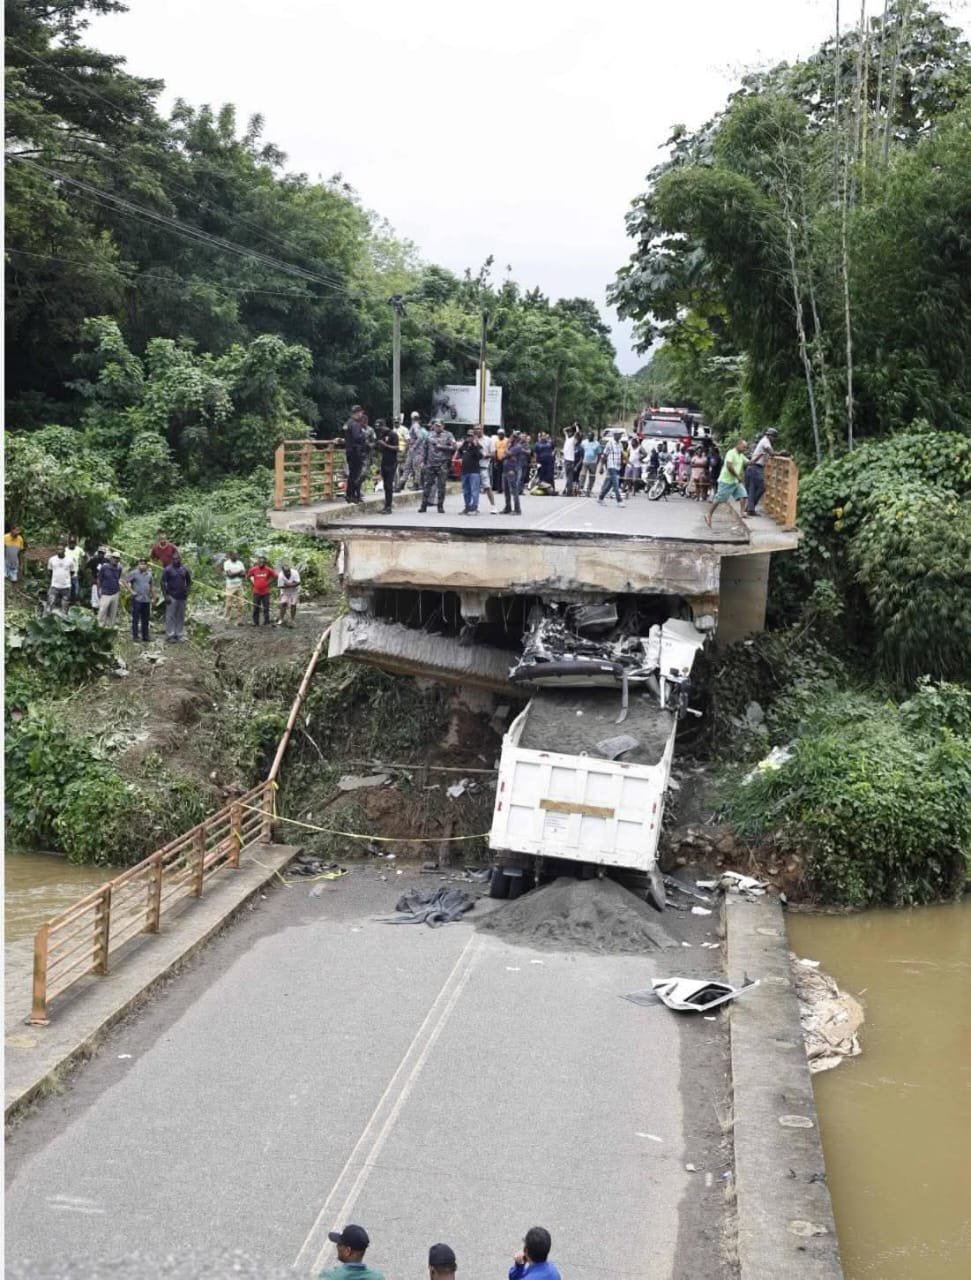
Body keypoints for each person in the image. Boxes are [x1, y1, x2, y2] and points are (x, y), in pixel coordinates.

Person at [705, 437, 749, 527]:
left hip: (735, 481)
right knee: (719, 499)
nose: (745, 449)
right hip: (726, 480)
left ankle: (742, 512)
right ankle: (709, 514)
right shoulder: (731, 453)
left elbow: (749, 462)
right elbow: (729, 466)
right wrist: (737, 475)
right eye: (744, 447)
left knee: (743, 495)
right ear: (738, 445)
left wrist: (760, 455)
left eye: (746, 448)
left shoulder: (741, 455)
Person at [319, 1224, 384, 1280]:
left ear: (348, 1251)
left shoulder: (329, 1277)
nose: (337, 1246)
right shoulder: (378, 1278)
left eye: (339, 1244)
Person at [418, 420, 457, 513]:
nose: (437, 428)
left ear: (443, 426)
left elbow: (454, 448)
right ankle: (423, 505)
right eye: (436, 426)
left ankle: (440, 506)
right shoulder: (429, 435)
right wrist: (422, 461)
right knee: (427, 485)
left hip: (442, 464)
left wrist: (442, 447)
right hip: (430, 464)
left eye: (439, 426)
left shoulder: (448, 435)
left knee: (441, 486)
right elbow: (424, 448)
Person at [745, 426, 779, 517]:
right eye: (773, 437)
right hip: (756, 467)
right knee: (762, 487)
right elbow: (771, 453)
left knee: (753, 489)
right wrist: (781, 453)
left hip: (753, 467)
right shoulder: (765, 441)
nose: (774, 439)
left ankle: (750, 508)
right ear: (770, 436)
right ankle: (750, 508)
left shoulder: (764, 441)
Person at [161, 552, 192, 642]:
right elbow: (163, 582)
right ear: (172, 560)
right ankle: (170, 635)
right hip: (172, 595)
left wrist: (188, 591)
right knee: (170, 616)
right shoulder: (168, 570)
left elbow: (189, 581)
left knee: (180, 616)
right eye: (174, 559)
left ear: (180, 559)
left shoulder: (184, 569)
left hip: (182, 596)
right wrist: (165, 595)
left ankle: (178, 634)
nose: (176, 560)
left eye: (178, 559)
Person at [125, 557, 155, 642]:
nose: (142, 565)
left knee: (145, 619)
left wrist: (154, 597)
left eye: (143, 564)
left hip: (146, 600)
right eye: (140, 563)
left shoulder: (149, 574)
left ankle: (145, 636)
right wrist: (131, 591)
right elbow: (125, 581)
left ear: (146, 565)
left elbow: (151, 586)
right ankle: (135, 636)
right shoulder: (134, 573)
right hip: (137, 599)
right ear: (138, 565)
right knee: (136, 619)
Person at [344, 404, 368, 504]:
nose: (361, 415)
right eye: (361, 413)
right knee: (355, 474)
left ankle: (351, 494)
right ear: (358, 413)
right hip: (355, 452)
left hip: (349, 451)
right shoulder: (355, 424)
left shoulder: (348, 423)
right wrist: (363, 435)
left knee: (353, 474)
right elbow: (357, 437)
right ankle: (351, 494)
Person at [375, 419, 400, 513]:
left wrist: (385, 445)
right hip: (384, 462)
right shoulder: (381, 435)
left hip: (392, 462)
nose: (380, 430)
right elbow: (380, 449)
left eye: (381, 427)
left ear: (385, 426)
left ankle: (388, 507)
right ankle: (386, 505)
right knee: (385, 485)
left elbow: (397, 448)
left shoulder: (393, 434)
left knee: (389, 485)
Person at [457, 429, 483, 514]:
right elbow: (459, 453)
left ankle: (474, 507)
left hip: (474, 471)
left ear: (474, 437)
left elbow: (480, 456)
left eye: (471, 436)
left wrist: (475, 446)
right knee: (466, 491)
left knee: (474, 490)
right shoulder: (464, 445)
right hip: (465, 471)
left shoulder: (477, 446)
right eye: (468, 436)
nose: (469, 438)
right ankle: (467, 507)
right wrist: (460, 458)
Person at [247, 554, 277, 626]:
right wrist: (252, 584)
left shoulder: (268, 569)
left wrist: (268, 582)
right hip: (256, 592)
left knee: (266, 607)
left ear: (265, 562)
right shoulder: (253, 569)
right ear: (258, 562)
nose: (261, 563)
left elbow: (275, 576)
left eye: (263, 562)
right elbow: (248, 577)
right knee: (256, 608)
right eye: (260, 562)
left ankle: (266, 622)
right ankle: (255, 622)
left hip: (266, 592)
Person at [398, 413, 426, 492]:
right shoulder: (415, 425)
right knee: (407, 467)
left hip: (417, 451)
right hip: (412, 451)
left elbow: (420, 437)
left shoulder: (415, 425)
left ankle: (416, 485)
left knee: (416, 468)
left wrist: (414, 447)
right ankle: (401, 484)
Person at [597, 429, 625, 506]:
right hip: (611, 466)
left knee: (609, 484)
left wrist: (622, 463)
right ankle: (619, 501)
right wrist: (601, 467)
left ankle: (600, 498)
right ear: (615, 435)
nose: (620, 436)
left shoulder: (620, 444)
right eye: (619, 434)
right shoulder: (610, 444)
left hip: (617, 466)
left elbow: (621, 454)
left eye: (621, 434)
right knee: (616, 483)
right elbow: (604, 455)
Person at [500, 431, 526, 514]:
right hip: (506, 469)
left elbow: (508, 453)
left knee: (513, 490)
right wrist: (507, 451)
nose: (511, 438)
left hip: (513, 469)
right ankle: (508, 507)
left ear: (516, 438)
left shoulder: (518, 446)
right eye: (512, 436)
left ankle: (517, 509)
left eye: (513, 437)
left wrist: (507, 451)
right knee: (506, 490)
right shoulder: (511, 445)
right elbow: (504, 455)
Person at [97, 551, 124, 627]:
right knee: (102, 611)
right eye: (114, 558)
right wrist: (99, 590)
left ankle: (110, 628)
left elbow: (118, 578)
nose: (115, 559)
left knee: (113, 613)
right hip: (105, 592)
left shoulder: (119, 568)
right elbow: (99, 579)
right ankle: (99, 627)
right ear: (111, 558)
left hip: (115, 592)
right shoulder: (105, 567)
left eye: (117, 558)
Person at [45, 544, 74, 615]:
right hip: (54, 586)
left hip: (66, 586)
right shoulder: (52, 559)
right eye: (58, 549)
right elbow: (50, 571)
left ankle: (63, 620)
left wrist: (65, 579)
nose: (59, 551)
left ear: (64, 550)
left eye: (61, 549)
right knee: (50, 602)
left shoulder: (70, 560)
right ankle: (47, 618)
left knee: (65, 606)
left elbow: (72, 572)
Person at [474, 424, 497, 510]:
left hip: (483, 466)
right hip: (473, 466)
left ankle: (493, 506)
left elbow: (494, 454)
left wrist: (485, 455)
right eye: (476, 429)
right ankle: (476, 505)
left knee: (487, 487)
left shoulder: (488, 440)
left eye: (479, 429)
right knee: (475, 487)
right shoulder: (473, 440)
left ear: (482, 429)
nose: (478, 430)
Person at [222, 549, 246, 623]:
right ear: (230, 555)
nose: (236, 556)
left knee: (241, 604)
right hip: (230, 586)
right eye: (234, 555)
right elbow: (230, 575)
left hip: (239, 586)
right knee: (229, 604)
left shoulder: (240, 563)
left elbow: (244, 574)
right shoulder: (227, 563)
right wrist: (239, 572)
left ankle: (239, 620)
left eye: (237, 554)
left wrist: (235, 573)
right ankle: (226, 619)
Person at [277, 560, 301, 626]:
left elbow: (298, 583)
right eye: (286, 572)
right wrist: (292, 584)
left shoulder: (295, 572)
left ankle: (292, 619)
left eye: (288, 571)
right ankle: (281, 619)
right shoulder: (281, 575)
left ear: (290, 569)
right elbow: (280, 586)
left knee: (293, 605)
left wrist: (288, 584)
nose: (287, 573)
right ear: (283, 571)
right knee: (283, 604)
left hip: (295, 591)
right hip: (285, 591)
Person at [64, 534, 84, 603]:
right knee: (67, 591)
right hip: (66, 574)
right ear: (69, 543)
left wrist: (81, 566)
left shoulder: (79, 550)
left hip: (75, 574)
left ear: (75, 543)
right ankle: (67, 604)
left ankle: (75, 603)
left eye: (73, 543)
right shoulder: (65, 549)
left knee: (76, 591)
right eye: (71, 543)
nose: (72, 544)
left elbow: (84, 556)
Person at [561, 425, 578, 494]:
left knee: (569, 477)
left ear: (572, 433)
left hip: (569, 460)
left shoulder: (573, 439)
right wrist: (569, 427)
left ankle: (568, 491)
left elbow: (577, 432)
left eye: (570, 432)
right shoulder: (567, 439)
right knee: (568, 476)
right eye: (568, 432)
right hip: (566, 459)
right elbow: (564, 430)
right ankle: (568, 490)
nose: (568, 433)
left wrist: (576, 426)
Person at [491, 427, 508, 493]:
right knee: (499, 475)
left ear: (504, 434)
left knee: (506, 474)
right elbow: (495, 451)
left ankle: (506, 489)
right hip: (498, 460)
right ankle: (499, 489)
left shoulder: (507, 441)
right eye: (499, 434)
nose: (500, 435)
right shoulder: (496, 442)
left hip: (506, 459)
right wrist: (495, 461)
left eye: (501, 434)